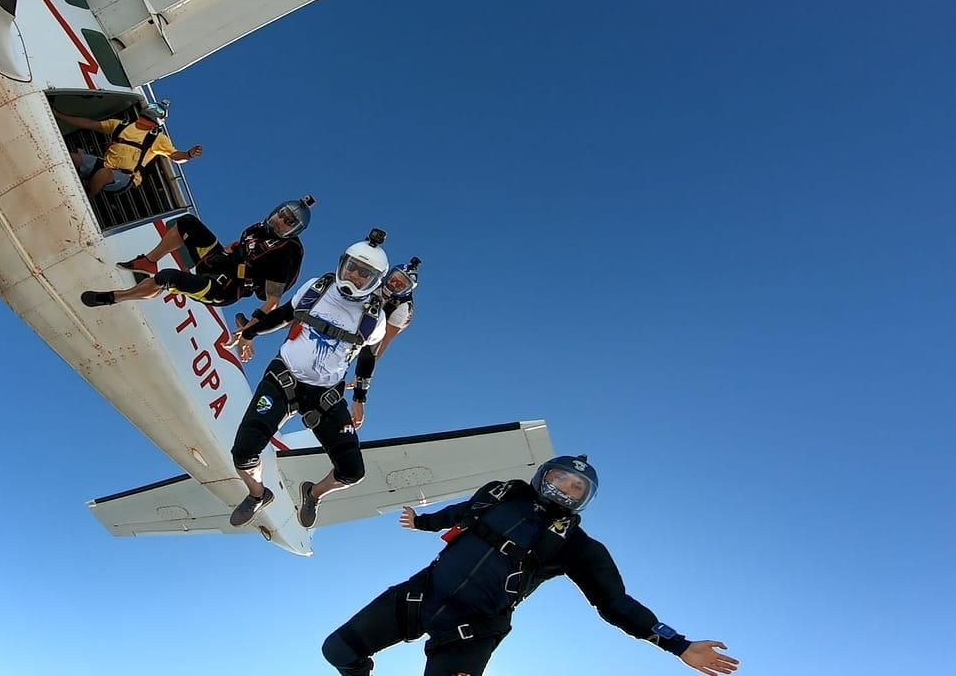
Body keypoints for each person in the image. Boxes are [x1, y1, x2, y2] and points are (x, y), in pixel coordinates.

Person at [322, 455, 741, 676]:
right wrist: (422, 523)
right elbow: (461, 512)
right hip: (420, 595)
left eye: (578, 487)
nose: (566, 488)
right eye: (560, 478)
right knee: (337, 649)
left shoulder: (579, 547)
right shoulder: (503, 495)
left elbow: (617, 604)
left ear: (584, 500)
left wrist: (677, 644)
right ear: (544, 476)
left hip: (473, 629)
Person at [226, 229, 391, 529]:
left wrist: (360, 400)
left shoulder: (374, 318)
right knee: (243, 453)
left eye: (364, 274)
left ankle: (313, 494)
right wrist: (251, 331)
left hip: (324, 395)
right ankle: (258, 494)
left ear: (374, 281)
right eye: (351, 266)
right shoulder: (318, 287)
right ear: (342, 264)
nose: (354, 275)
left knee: (352, 471)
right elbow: (286, 315)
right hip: (282, 379)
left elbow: (368, 357)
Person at [80, 197, 312, 310]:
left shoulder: (286, 252)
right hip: (219, 262)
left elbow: (272, 300)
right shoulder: (258, 228)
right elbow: (238, 246)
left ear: (294, 230)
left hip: (224, 288)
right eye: (282, 214)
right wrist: (229, 251)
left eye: (289, 222)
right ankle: (148, 261)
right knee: (188, 223)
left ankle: (114, 297)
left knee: (167, 278)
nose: (281, 221)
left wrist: (249, 331)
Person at [54, 100, 202, 197]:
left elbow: (174, 156)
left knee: (103, 175)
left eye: (158, 110)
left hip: (125, 176)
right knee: (72, 158)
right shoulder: (121, 125)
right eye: (153, 106)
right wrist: (59, 116)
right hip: (104, 164)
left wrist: (188, 154)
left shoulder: (158, 139)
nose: (153, 109)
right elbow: (91, 124)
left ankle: (85, 199)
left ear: (160, 121)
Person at [346, 257, 420, 429]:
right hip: (353, 316)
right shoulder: (373, 281)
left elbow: (379, 345)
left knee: (367, 346)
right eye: (394, 279)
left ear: (408, 290)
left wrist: (360, 386)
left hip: (379, 328)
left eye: (401, 285)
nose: (394, 285)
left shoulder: (403, 308)